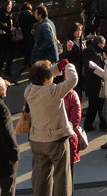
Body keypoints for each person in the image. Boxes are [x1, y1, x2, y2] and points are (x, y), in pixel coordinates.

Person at [25, 58, 78, 196]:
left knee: (41, 176)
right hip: (56, 140)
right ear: (47, 78)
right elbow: (73, 80)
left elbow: (43, 76)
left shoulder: (29, 91)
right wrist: (68, 66)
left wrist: (55, 68)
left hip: (37, 139)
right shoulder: (53, 91)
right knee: (61, 176)